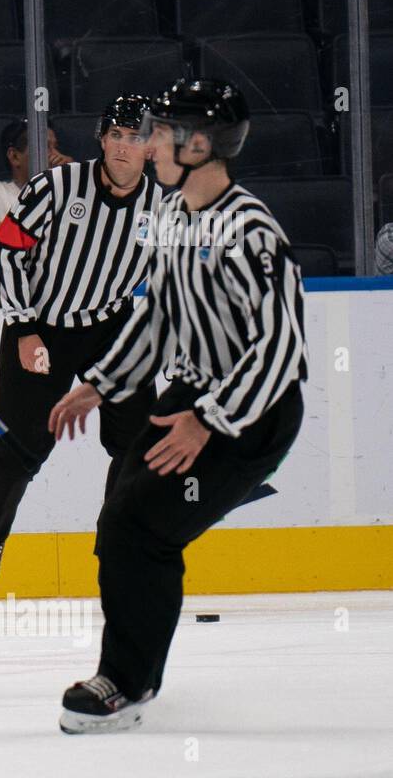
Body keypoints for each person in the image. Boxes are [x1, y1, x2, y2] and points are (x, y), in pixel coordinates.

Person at [49, 80, 308, 734]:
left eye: (161, 131)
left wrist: (208, 422)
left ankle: (126, 683)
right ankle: (127, 669)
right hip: (191, 396)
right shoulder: (169, 216)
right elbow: (158, 319)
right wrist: (102, 383)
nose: (148, 142)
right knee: (120, 518)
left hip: (251, 409)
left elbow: (281, 351)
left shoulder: (250, 230)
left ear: (199, 144)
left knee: (143, 526)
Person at [0, 95, 162, 590]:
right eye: (115, 136)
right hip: (43, 322)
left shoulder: (162, 209)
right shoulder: (56, 187)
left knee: (140, 441)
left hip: (112, 326)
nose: (122, 147)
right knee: (17, 445)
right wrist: (24, 326)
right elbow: (6, 251)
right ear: (102, 139)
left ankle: (116, 542)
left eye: (134, 137)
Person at [0, 118, 71, 252]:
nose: (57, 156)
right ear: (14, 156)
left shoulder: (70, 189)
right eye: (45, 148)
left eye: (55, 148)